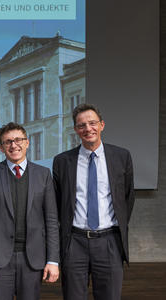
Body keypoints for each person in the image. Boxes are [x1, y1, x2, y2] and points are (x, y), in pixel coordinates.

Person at [52, 103, 135, 300]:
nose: (87, 129)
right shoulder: (62, 161)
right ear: (75, 130)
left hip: (109, 241)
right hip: (74, 242)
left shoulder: (121, 156)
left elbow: (127, 197)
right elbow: (57, 201)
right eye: (81, 125)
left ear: (102, 125)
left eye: (92, 123)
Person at [0, 122, 59, 300]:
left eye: (18, 140)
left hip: (33, 259)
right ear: (1, 147)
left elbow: (51, 220)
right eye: (8, 142)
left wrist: (53, 260)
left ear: (27, 143)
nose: (14, 145)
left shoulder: (43, 174)